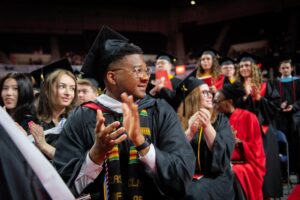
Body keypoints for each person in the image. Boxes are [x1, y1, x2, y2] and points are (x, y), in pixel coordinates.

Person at [53, 26, 195, 199]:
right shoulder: (82, 117)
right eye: (137, 71)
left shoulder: (160, 111)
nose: (145, 77)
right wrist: (95, 155)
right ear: (112, 77)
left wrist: (143, 145)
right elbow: (60, 186)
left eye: (146, 70)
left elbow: (182, 176)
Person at [175, 72, 235, 200]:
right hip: (186, 176)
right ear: (193, 97)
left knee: (194, 193)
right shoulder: (178, 122)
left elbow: (223, 156)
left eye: (210, 92)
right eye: (204, 93)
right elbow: (172, 153)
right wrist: (190, 132)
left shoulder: (220, 120)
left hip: (216, 178)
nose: (210, 96)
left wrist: (207, 126)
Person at [235, 52, 282, 198]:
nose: (244, 68)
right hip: (244, 134)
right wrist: (243, 97)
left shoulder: (266, 85)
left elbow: (275, 107)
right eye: (241, 66)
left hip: (264, 133)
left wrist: (259, 98)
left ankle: (266, 195)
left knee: (266, 169)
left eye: (247, 65)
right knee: (248, 168)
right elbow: (231, 110)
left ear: (254, 67)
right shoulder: (236, 87)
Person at [214, 82, 266, 200]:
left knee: (232, 173)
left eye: (217, 102)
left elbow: (257, 148)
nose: (214, 106)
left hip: (245, 163)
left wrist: (239, 143)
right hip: (222, 163)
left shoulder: (249, 117)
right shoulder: (216, 120)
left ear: (230, 101)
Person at [29, 59, 77, 160]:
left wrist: (43, 145)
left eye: (72, 88)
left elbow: (76, 161)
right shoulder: (32, 121)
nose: (68, 93)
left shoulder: (76, 121)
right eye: (62, 86)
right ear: (47, 90)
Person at [274, 57, 300, 181]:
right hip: (281, 118)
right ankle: (285, 174)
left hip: (296, 118)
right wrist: (280, 105)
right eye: (283, 68)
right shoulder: (275, 83)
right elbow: (272, 98)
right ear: (279, 69)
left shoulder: (298, 81)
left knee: (297, 144)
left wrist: (294, 106)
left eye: (287, 68)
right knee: (283, 145)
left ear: (292, 69)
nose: (285, 70)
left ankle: (297, 171)